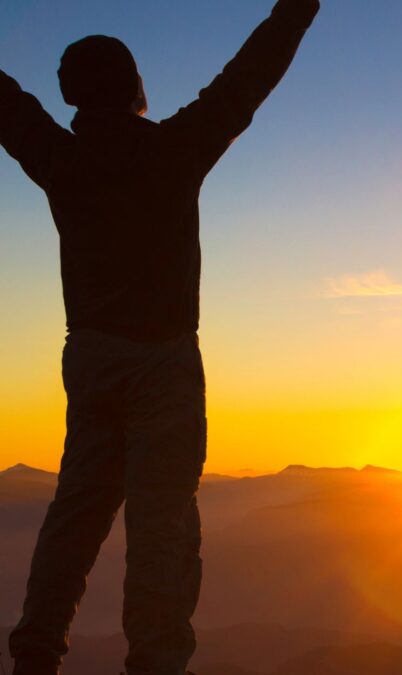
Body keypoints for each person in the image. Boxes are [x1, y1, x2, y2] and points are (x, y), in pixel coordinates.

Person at [0, 1, 320, 673]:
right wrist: (298, 8)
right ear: (132, 86)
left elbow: (10, 103)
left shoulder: (61, 157)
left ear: (75, 95)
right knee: (163, 528)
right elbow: (248, 76)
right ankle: (156, 658)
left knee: (76, 513)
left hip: (89, 360)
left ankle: (35, 652)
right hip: (162, 363)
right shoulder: (175, 148)